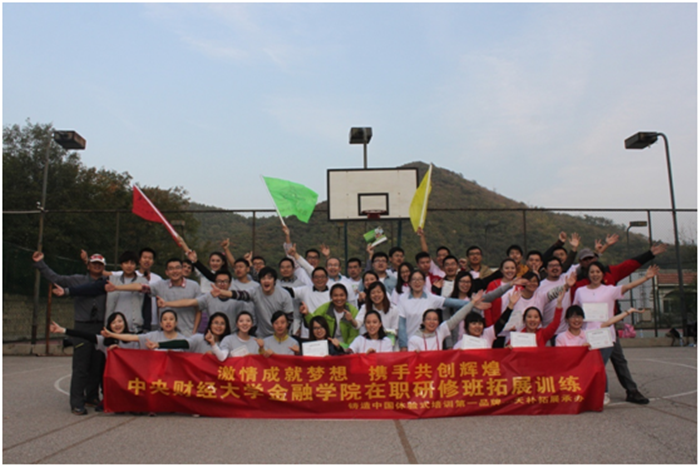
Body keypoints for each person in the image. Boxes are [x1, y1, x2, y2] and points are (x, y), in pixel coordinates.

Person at [33, 250, 107, 415]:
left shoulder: (107, 283)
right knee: (81, 366)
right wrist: (40, 264)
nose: (97, 266)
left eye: (100, 264)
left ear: (104, 267)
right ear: (88, 266)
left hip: (100, 326)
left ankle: (92, 396)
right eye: (94, 264)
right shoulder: (77, 280)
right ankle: (77, 402)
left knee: (97, 365)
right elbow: (57, 279)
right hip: (82, 326)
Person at [572, 263, 659, 403]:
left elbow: (628, 286)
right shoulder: (580, 291)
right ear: (588, 274)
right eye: (592, 272)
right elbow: (575, 311)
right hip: (588, 335)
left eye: (598, 271)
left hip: (607, 335)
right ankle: (603, 391)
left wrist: (646, 278)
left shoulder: (610, 290)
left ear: (603, 274)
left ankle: (620, 392)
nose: (595, 274)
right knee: (597, 364)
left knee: (610, 363)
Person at [210, 267, 295, 339]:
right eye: (263, 278)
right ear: (260, 281)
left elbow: (289, 318)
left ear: (274, 281)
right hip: (262, 335)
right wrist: (221, 292)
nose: (266, 281)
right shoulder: (255, 291)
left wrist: (283, 335)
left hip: (281, 334)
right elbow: (240, 295)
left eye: (269, 278)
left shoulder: (284, 294)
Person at [397, 270, 471, 351]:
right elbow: (401, 325)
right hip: (411, 343)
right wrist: (403, 346)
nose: (417, 282)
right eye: (414, 279)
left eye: (420, 279)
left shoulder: (431, 298)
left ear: (424, 282)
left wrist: (473, 303)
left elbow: (451, 302)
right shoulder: (403, 299)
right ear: (409, 283)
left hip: (430, 342)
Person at [156, 271, 247, 334]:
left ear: (230, 284)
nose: (222, 284)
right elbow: (189, 302)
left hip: (232, 335)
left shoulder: (237, 299)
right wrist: (166, 304)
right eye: (219, 281)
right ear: (215, 283)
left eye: (225, 281)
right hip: (213, 336)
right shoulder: (209, 297)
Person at [408, 291, 483, 352]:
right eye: (429, 319)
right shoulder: (414, 339)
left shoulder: (440, 331)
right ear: (423, 322)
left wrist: (472, 303)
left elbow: (457, 318)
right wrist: (416, 354)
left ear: (438, 322)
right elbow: (412, 360)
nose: (432, 322)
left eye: (435, 319)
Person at [148, 258, 202, 337]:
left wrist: (194, 330)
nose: (175, 271)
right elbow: (141, 287)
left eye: (177, 268)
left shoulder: (194, 286)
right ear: (166, 272)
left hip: (187, 332)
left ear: (182, 269)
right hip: (165, 334)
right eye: (171, 269)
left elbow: (198, 310)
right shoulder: (160, 285)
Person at [453, 291, 521, 349]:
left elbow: (501, 323)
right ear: (467, 326)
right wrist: (458, 353)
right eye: (474, 323)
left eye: (480, 323)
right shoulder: (460, 344)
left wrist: (510, 305)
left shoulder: (487, 334)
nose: (477, 326)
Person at [555, 306, 645, 348]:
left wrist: (628, 311)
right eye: (573, 317)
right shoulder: (561, 337)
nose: (576, 320)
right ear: (567, 319)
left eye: (579, 317)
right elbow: (561, 357)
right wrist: (581, 349)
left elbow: (608, 322)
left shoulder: (588, 334)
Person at [148, 312, 232, 354]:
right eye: (216, 323)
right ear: (210, 325)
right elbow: (183, 343)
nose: (218, 326)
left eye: (222, 324)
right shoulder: (199, 339)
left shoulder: (228, 343)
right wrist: (159, 345)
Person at [102, 309, 186, 350]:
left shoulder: (183, 339)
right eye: (165, 319)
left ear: (176, 322)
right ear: (160, 323)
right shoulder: (153, 336)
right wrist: (111, 334)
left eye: (171, 319)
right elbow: (131, 337)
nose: (168, 322)